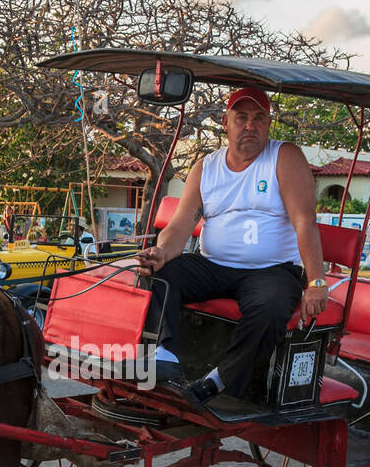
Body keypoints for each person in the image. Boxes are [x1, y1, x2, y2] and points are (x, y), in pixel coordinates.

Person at [136, 86, 328, 402]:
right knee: (161, 273)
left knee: (271, 306)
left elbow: (304, 222)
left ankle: (218, 381)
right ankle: (163, 355)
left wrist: (317, 282)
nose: (250, 125)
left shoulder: (284, 157)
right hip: (214, 266)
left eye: (259, 118)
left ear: (268, 123)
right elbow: (182, 223)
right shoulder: (205, 167)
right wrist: (161, 251)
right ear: (226, 122)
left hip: (271, 271)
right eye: (242, 117)